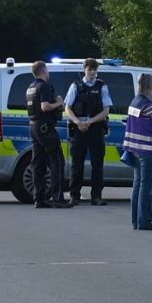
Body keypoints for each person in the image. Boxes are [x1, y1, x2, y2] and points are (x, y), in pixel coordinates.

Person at [65, 58, 113, 206]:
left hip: (96, 127)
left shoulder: (101, 86)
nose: (92, 72)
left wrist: (89, 122)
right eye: (90, 69)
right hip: (79, 128)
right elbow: (67, 108)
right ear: (84, 69)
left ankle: (96, 196)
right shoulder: (75, 86)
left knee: (97, 164)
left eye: (94, 69)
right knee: (77, 163)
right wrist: (78, 122)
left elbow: (106, 110)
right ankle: (74, 196)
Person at [123, 73, 152, 231]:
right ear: (150, 86)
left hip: (135, 149)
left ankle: (136, 220)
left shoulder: (135, 102)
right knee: (146, 187)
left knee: (137, 186)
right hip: (148, 150)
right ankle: (145, 221)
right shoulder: (148, 105)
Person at [26, 60, 71, 208]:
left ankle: (39, 199)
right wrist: (59, 103)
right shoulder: (44, 86)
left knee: (38, 164)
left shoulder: (31, 87)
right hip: (45, 128)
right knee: (57, 162)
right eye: (47, 69)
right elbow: (45, 107)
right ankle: (57, 198)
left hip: (34, 127)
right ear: (44, 71)